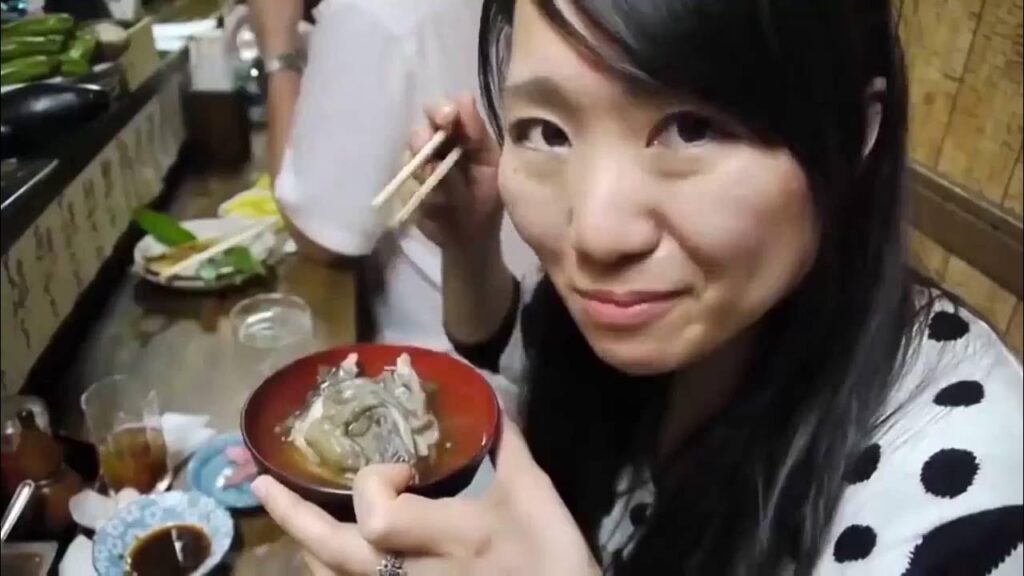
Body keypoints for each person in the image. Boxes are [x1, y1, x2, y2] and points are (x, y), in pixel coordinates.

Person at [252, 0, 1024, 575]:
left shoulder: (964, 492)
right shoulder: (666, 327)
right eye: (547, 131)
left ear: (856, 133)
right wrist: (470, 244)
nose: (596, 232)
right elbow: (519, 358)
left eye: (693, 127)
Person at [247, 0, 538, 353]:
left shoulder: (366, 11)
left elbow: (320, 237)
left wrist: (279, 51)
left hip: (439, 356)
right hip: (517, 327)